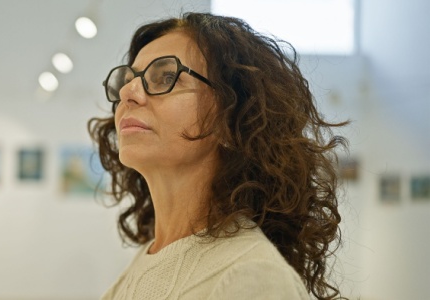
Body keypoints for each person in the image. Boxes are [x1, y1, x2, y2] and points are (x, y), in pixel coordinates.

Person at [88, 12, 348, 300]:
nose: (129, 92)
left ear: (231, 119)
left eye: (167, 77)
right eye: (128, 79)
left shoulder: (252, 277)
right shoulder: (147, 260)